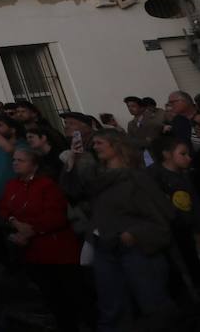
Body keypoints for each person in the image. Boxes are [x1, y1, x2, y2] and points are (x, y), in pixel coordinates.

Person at [63, 128, 176, 330]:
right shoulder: (99, 178)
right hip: (105, 247)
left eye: (100, 143)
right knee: (111, 308)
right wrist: (72, 163)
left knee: (152, 305)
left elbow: (162, 215)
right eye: (94, 143)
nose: (95, 147)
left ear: (116, 146)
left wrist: (134, 233)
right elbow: (74, 193)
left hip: (136, 249)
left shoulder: (137, 178)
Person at [0, 147, 80, 331]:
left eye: (21, 160)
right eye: (14, 160)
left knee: (67, 295)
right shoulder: (12, 185)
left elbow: (55, 216)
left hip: (55, 251)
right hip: (31, 252)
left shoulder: (46, 185)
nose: (15, 163)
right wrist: (14, 222)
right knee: (49, 294)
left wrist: (31, 229)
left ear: (34, 165)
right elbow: (4, 208)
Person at [148, 134, 200, 292]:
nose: (188, 158)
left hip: (188, 228)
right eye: (183, 154)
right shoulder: (154, 177)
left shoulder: (184, 174)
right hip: (173, 232)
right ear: (166, 154)